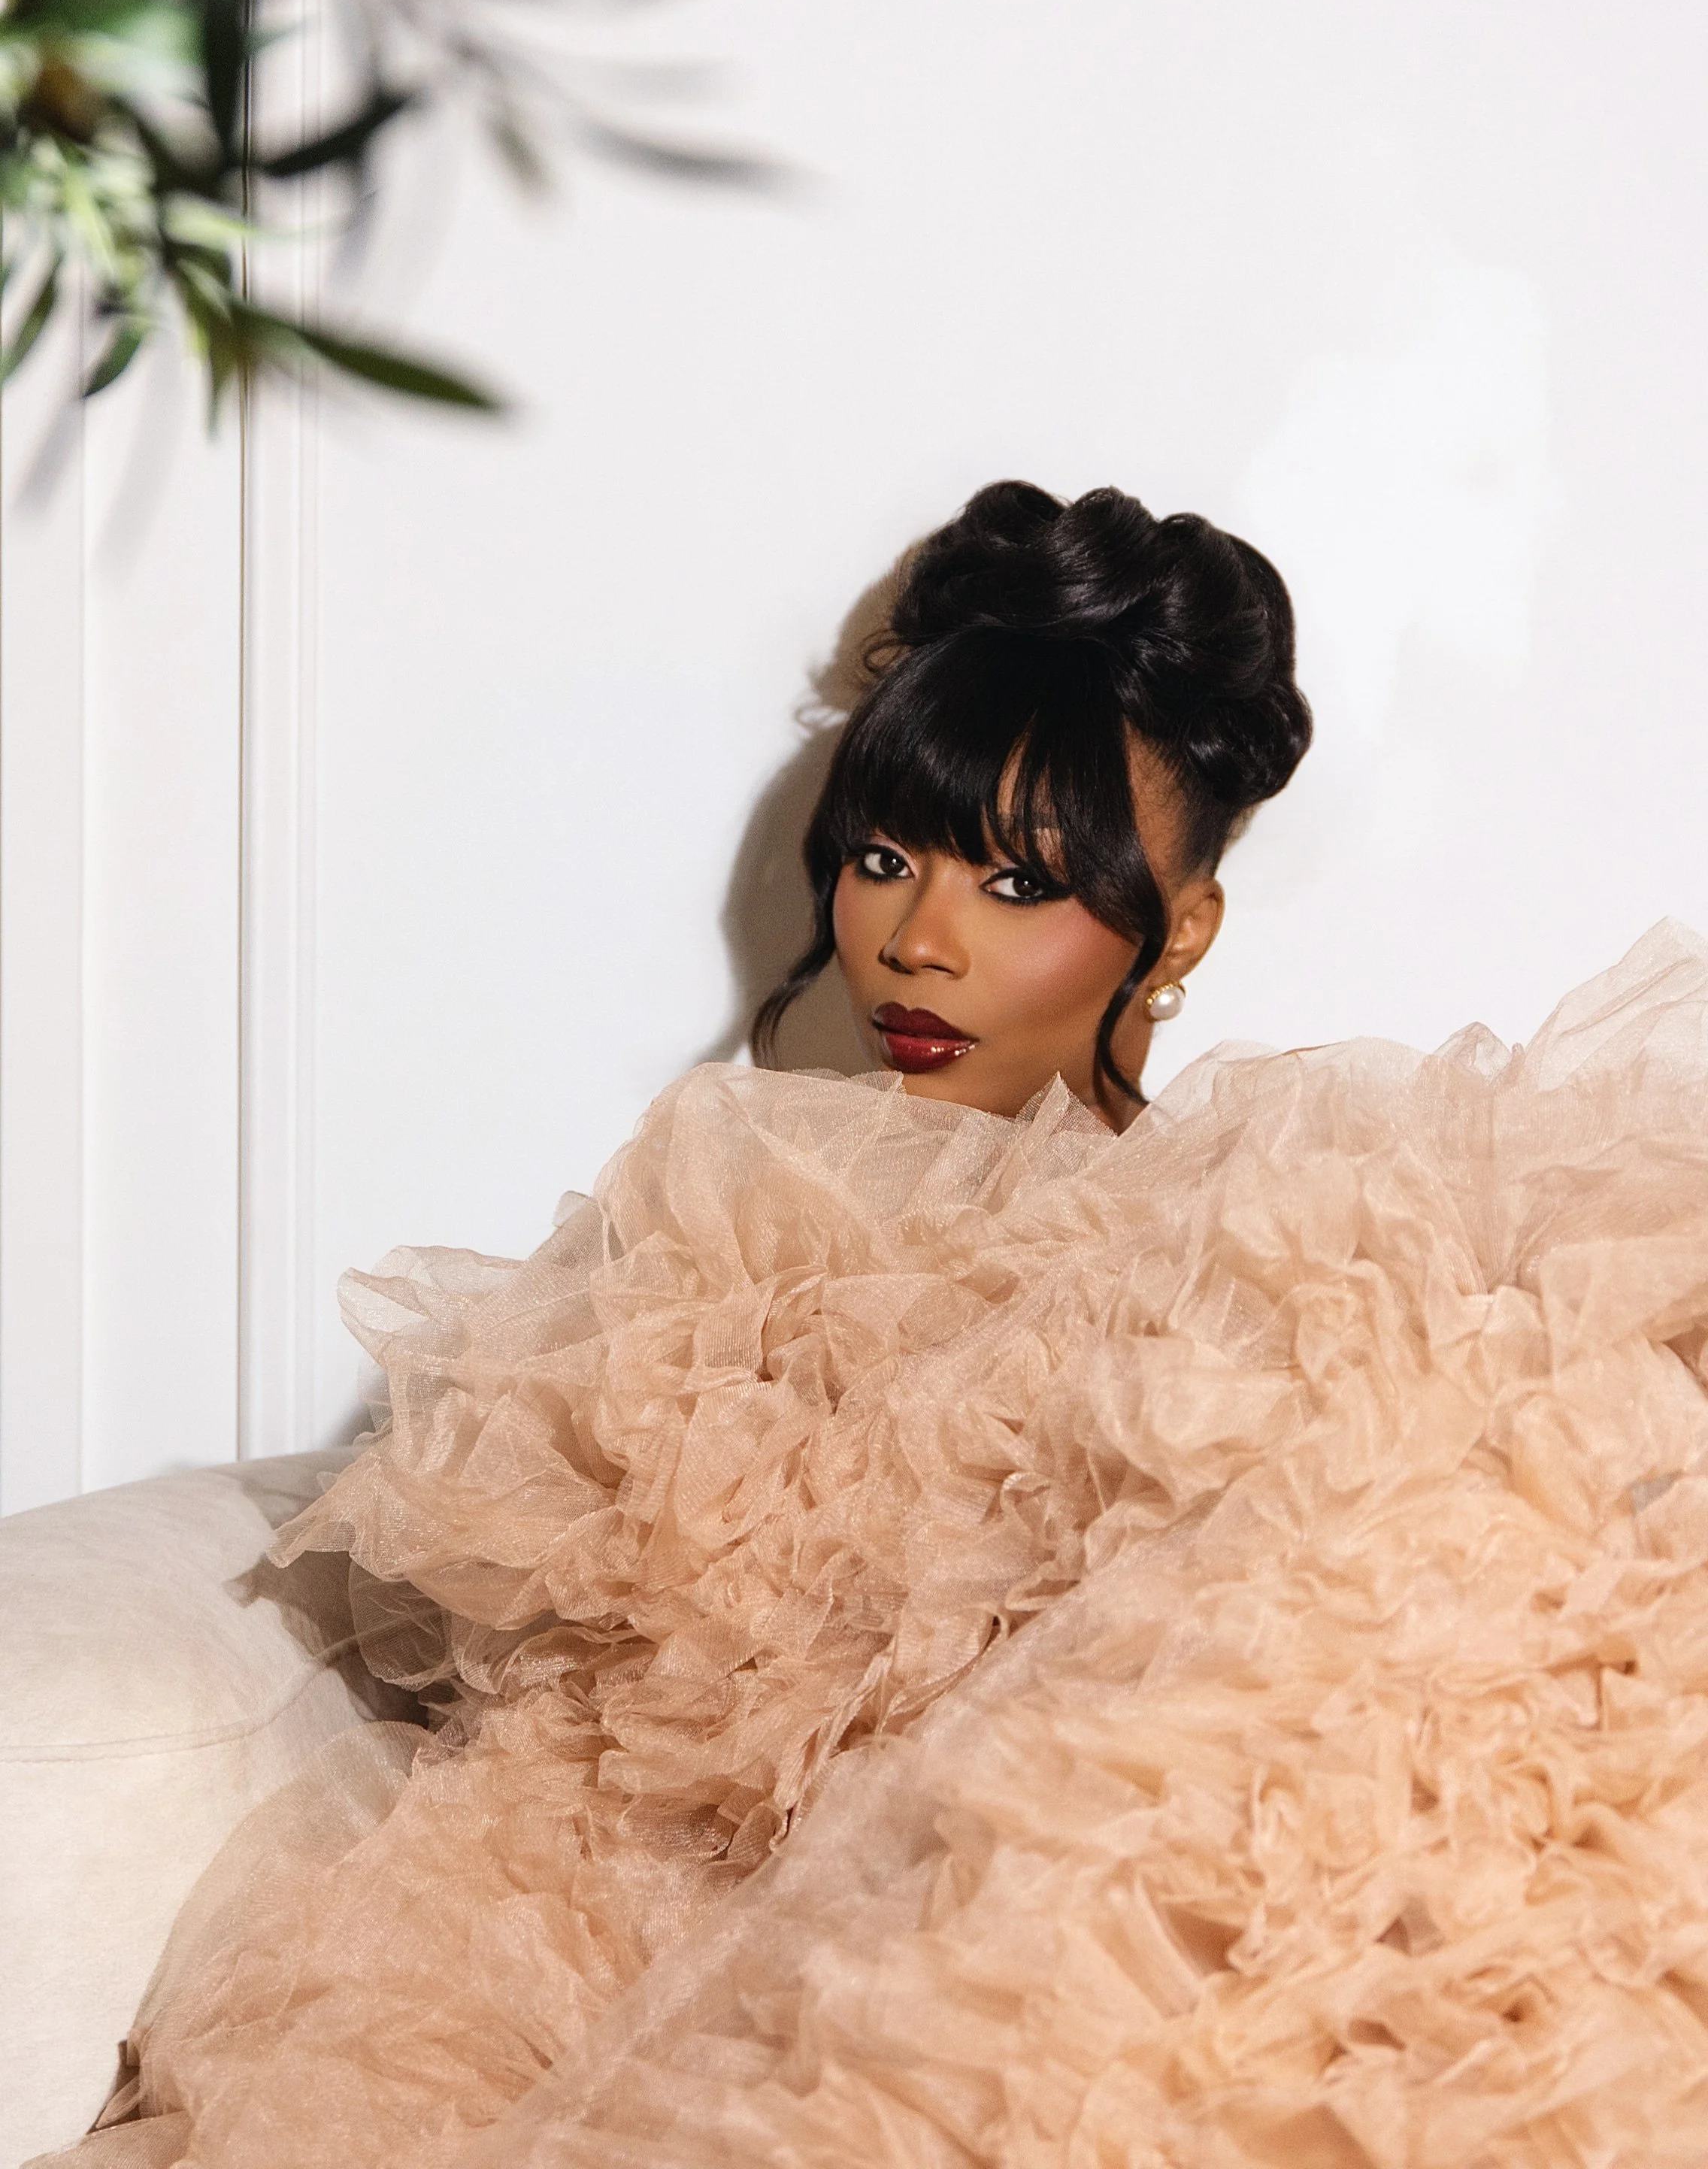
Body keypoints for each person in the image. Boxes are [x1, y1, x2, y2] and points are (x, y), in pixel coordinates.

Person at [44, 486, 1708, 2168]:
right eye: (883, 858)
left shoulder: (1297, 1255)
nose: (916, 943)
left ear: (1177, 931)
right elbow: (605, 1729)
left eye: (1015, 880)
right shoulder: (729, 1248)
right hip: (696, 1934)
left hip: (1099, 1909)